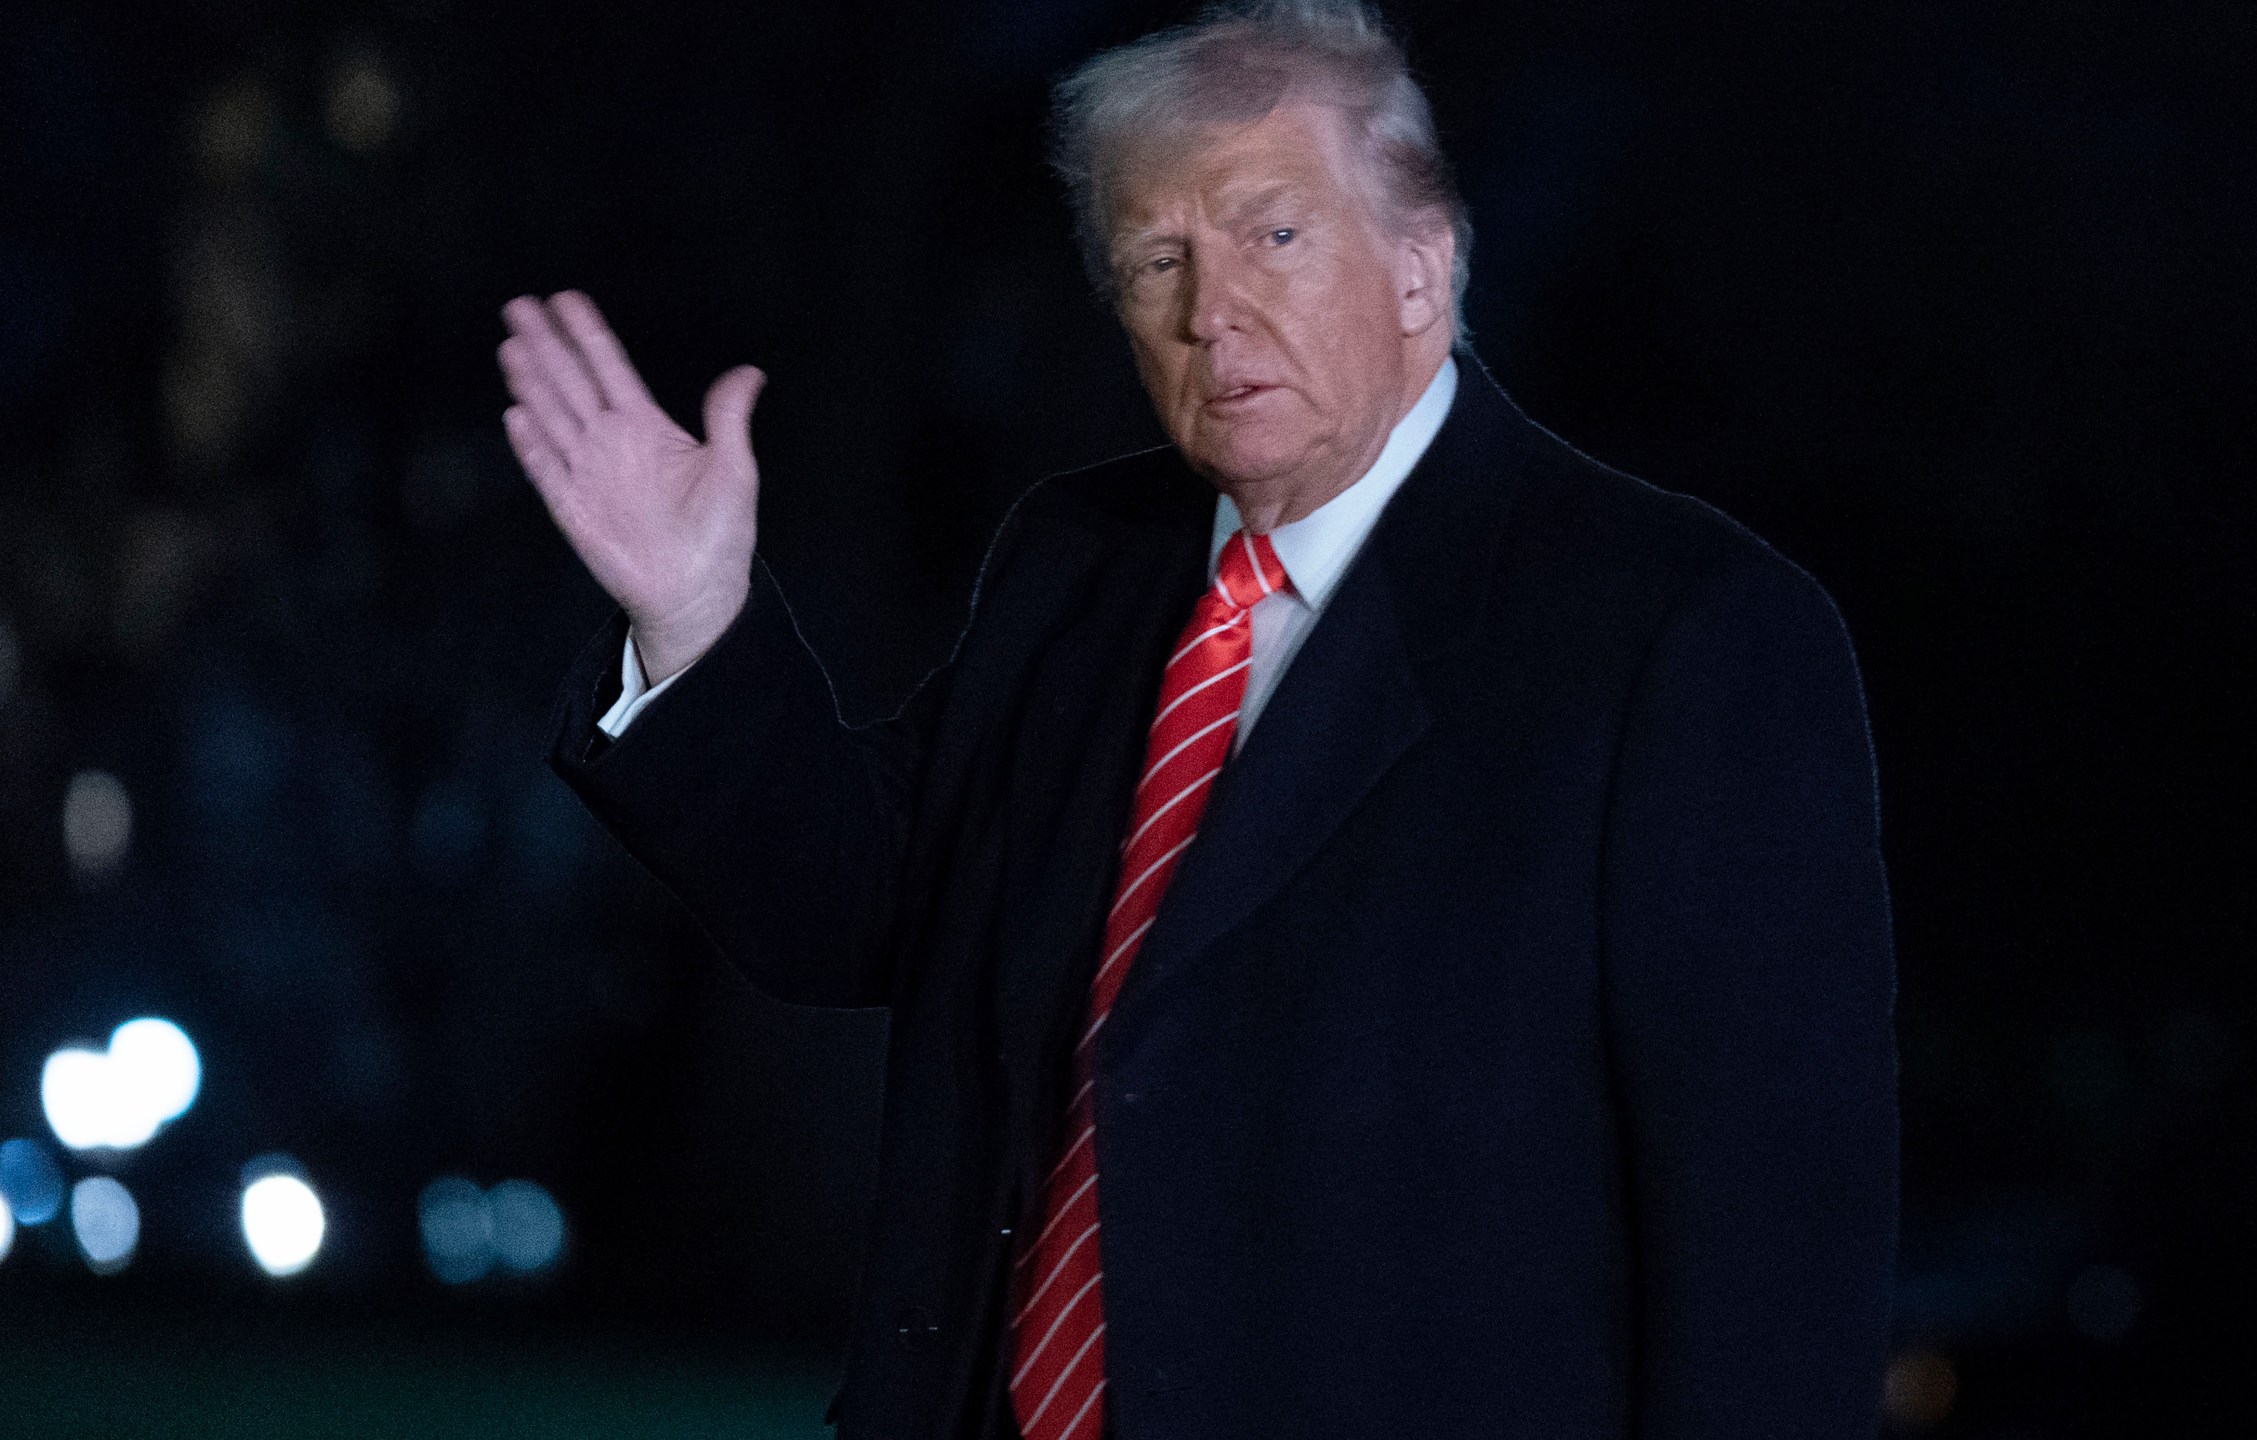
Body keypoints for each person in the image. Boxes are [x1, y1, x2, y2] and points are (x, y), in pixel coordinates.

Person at [496, 2, 1896, 1436]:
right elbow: (861, 903)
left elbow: (1774, 1250)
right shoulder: (1075, 565)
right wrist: (694, 616)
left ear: (1423, 266)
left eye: (1271, 233)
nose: (1207, 308)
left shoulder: (1687, 634)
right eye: (1156, 258)